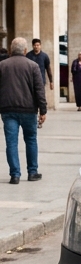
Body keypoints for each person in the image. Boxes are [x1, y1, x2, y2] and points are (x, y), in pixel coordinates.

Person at [0, 37, 47, 184]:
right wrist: (43, 110)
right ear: (26, 50)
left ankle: (15, 175)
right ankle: (32, 172)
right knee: (31, 140)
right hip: (28, 110)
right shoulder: (33, 66)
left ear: (10, 50)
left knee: (11, 143)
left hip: (8, 110)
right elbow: (39, 90)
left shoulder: (2, 65)